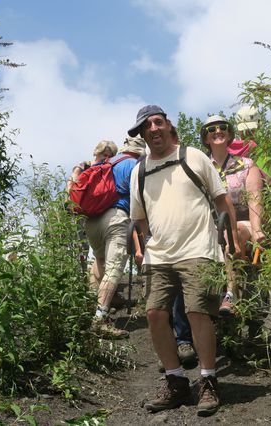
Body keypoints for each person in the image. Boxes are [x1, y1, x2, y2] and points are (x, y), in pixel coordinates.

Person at [128, 105, 241, 416]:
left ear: (168, 125)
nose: (153, 129)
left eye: (158, 122)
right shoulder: (139, 171)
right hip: (160, 253)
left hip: (198, 247)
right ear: (141, 134)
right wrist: (145, 247)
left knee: (196, 312)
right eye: (146, 126)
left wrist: (231, 241)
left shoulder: (193, 156)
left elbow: (221, 200)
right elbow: (140, 219)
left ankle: (208, 380)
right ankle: (176, 381)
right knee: (154, 313)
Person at [202, 115, 267, 316]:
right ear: (206, 138)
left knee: (235, 231)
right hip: (212, 226)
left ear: (230, 134)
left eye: (222, 127)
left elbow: (255, 199)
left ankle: (230, 294)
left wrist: (257, 230)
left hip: (243, 221)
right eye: (211, 129)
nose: (217, 131)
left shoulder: (247, 165)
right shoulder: (201, 168)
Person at [86, 137, 146, 339]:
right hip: (117, 217)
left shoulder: (106, 162)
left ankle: (93, 308)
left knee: (100, 260)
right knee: (114, 268)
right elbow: (140, 200)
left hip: (93, 220)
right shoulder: (135, 165)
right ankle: (100, 319)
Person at [67, 141, 118, 284]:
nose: (105, 158)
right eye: (104, 154)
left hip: (99, 213)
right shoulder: (85, 165)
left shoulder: (108, 169)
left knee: (100, 251)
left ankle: (95, 282)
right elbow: (71, 182)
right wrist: (71, 202)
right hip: (81, 212)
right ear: (97, 152)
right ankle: (81, 279)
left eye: (109, 156)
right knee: (81, 246)